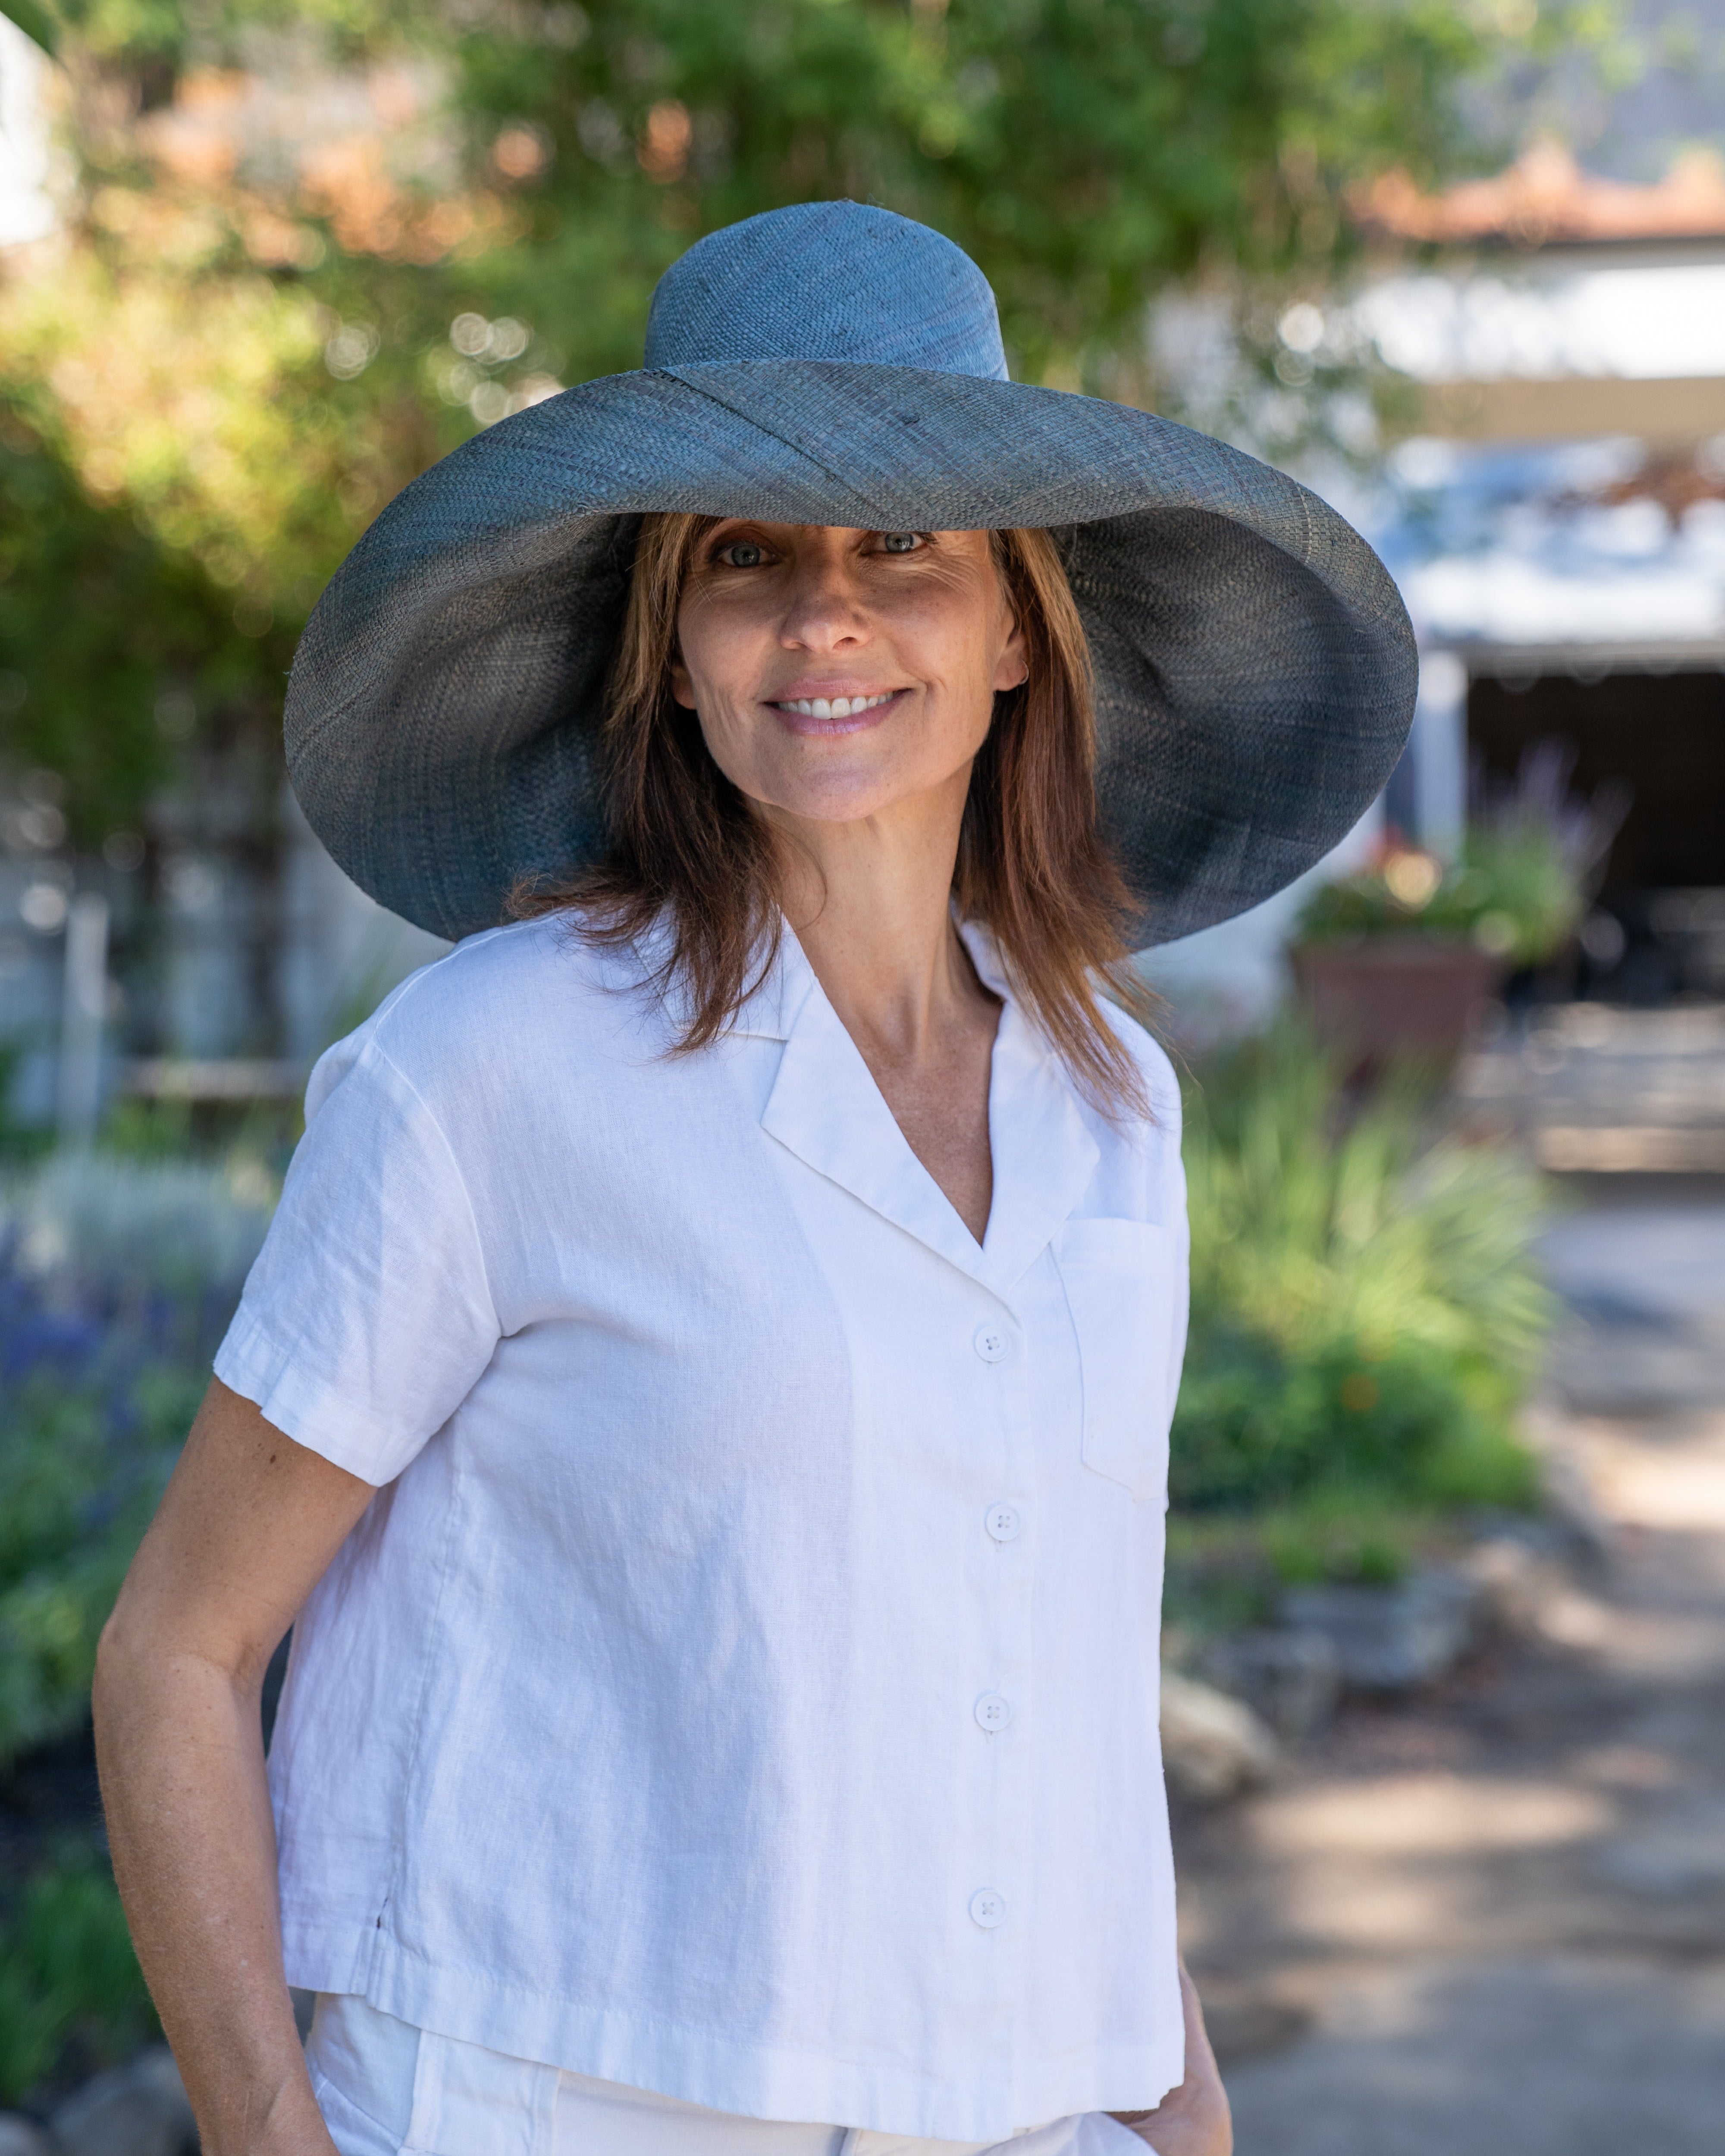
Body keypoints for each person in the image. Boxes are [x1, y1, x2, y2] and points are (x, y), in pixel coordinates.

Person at [94, 202, 1414, 2156]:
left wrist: (1178, 2108)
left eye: (908, 550)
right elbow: (176, 1650)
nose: (828, 617)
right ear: (676, 657)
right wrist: (268, 2132)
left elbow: (1041, 1671)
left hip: (1030, 2102)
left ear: (1018, 632)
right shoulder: (494, 1065)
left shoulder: (1112, 1096)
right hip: (554, 2100)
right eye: (744, 560)